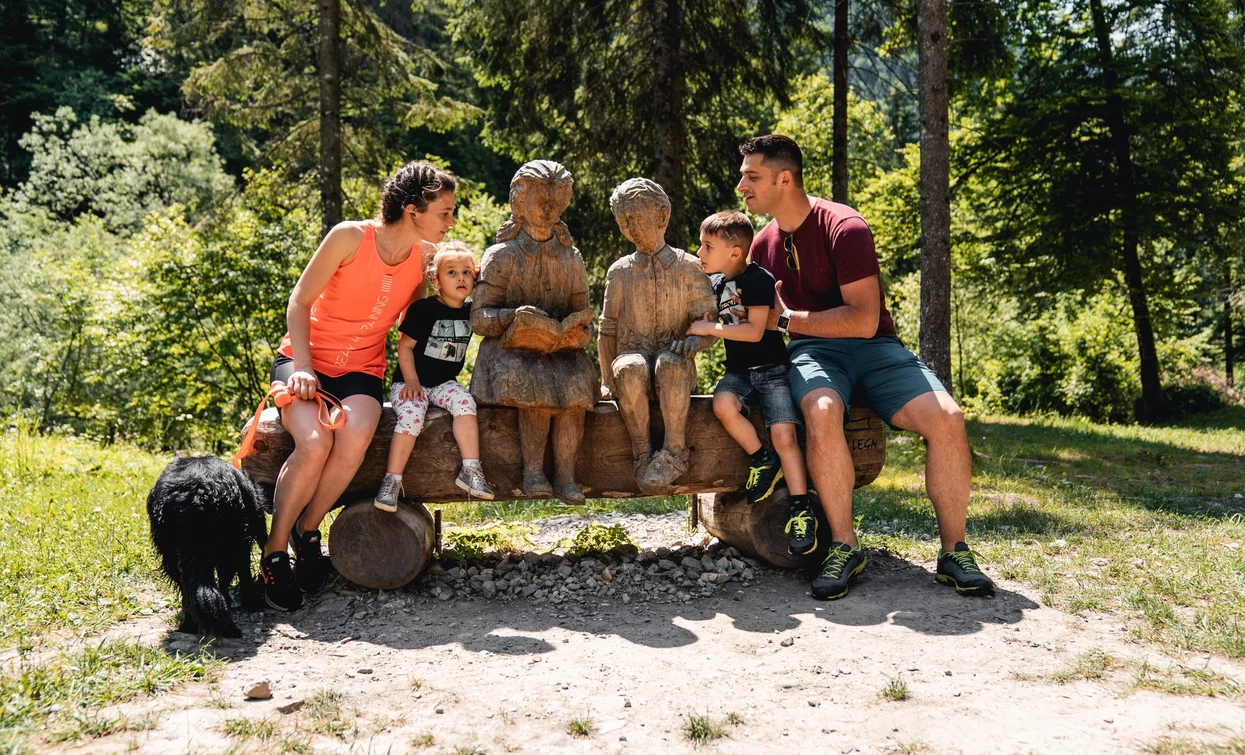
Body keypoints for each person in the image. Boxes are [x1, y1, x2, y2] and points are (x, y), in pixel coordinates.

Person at [736, 134, 994, 600]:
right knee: (820, 409)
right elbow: (758, 326)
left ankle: (955, 551)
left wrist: (788, 318)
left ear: (785, 178)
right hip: (814, 353)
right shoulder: (761, 246)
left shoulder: (844, 226)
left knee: (949, 419)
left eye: (752, 176)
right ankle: (844, 545)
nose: (742, 187)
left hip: (875, 347)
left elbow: (864, 317)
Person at [263, 162, 457, 611]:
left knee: (354, 438)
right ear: (412, 210)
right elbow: (299, 301)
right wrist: (303, 367)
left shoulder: (425, 258)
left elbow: (415, 324)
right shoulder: (350, 236)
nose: (451, 222)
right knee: (313, 444)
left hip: (362, 370)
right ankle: (274, 553)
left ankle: (307, 532)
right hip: (304, 360)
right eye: (444, 213)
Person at [470, 160, 597, 505]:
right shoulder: (502, 255)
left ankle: (567, 475)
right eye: (539, 200)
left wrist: (577, 334)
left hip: (561, 351)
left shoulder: (571, 258)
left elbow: (584, 317)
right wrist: (513, 317)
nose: (547, 209)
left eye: (555, 202)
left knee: (576, 387)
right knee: (535, 383)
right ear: (518, 203)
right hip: (508, 351)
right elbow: (479, 319)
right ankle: (533, 471)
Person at [688, 210, 814, 554]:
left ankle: (801, 506)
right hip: (740, 373)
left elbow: (755, 329)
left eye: (707, 246)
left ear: (734, 251)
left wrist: (710, 328)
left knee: (784, 435)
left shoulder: (758, 280)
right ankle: (761, 459)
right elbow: (707, 316)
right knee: (722, 404)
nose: (700, 252)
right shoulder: (715, 285)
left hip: (772, 369)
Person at [599, 178, 718, 494]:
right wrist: (606, 379)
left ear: (663, 215)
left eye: (634, 216)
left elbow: (709, 323)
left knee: (670, 361)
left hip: (675, 367)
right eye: (622, 220)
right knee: (628, 368)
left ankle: (674, 451)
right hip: (631, 360)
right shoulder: (620, 271)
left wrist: (693, 343)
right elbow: (607, 328)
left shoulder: (690, 268)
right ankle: (642, 452)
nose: (629, 226)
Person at [374, 241, 495, 511]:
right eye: (451, 272)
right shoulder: (424, 310)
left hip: (443, 384)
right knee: (412, 417)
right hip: (410, 381)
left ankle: (471, 470)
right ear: (436, 279)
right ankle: (391, 481)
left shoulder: (472, 312)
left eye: (467, 272)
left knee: (466, 404)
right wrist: (412, 382)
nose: (461, 278)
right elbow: (404, 348)